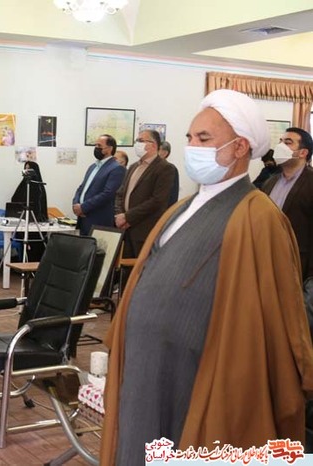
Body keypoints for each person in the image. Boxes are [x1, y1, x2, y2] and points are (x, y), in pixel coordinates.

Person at [100, 89, 313, 466]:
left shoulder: (260, 218)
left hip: (199, 380)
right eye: (189, 137)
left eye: (204, 138)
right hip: (145, 368)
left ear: (240, 147)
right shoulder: (180, 209)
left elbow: (279, 320)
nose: (192, 147)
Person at [114, 129, 175, 260]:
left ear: (154, 144)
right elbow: (120, 193)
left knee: (142, 268)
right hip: (125, 229)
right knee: (125, 269)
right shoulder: (133, 167)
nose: (137, 144)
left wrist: (128, 217)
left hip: (144, 230)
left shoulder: (165, 168)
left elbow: (157, 200)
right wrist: (120, 215)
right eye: (137, 140)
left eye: (141, 141)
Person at [262, 127, 313, 282]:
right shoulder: (270, 182)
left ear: (303, 152)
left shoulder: (310, 182)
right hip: (266, 261)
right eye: (280, 141)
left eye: (288, 142)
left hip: (299, 266)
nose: (280, 146)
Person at [72, 134, 126, 235]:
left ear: (109, 148)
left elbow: (108, 194)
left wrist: (83, 207)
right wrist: (75, 204)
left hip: (98, 220)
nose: (96, 148)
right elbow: (81, 188)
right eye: (96, 145)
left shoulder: (116, 168)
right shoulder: (93, 167)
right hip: (83, 219)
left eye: (99, 145)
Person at [11, 161, 47, 261]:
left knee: (37, 243)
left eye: (29, 169)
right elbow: (14, 199)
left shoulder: (39, 187)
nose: (27, 171)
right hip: (22, 222)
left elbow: (40, 206)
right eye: (25, 168)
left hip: (36, 224)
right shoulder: (23, 185)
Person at [158, 140, 180, 206]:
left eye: (158, 149)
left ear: (165, 153)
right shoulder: (150, 167)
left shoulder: (171, 169)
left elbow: (173, 194)